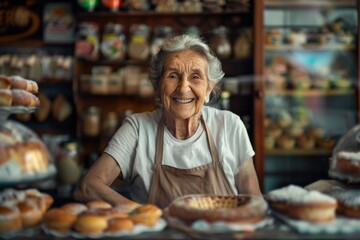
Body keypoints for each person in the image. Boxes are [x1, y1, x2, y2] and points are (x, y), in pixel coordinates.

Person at [73, 34, 262, 209]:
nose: (183, 88)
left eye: (195, 77)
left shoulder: (229, 126)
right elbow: (88, 186)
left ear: (208, 90)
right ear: (157, 87)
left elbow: (254, 203)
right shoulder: (138, 129)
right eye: (172, 76)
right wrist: (142, 215)